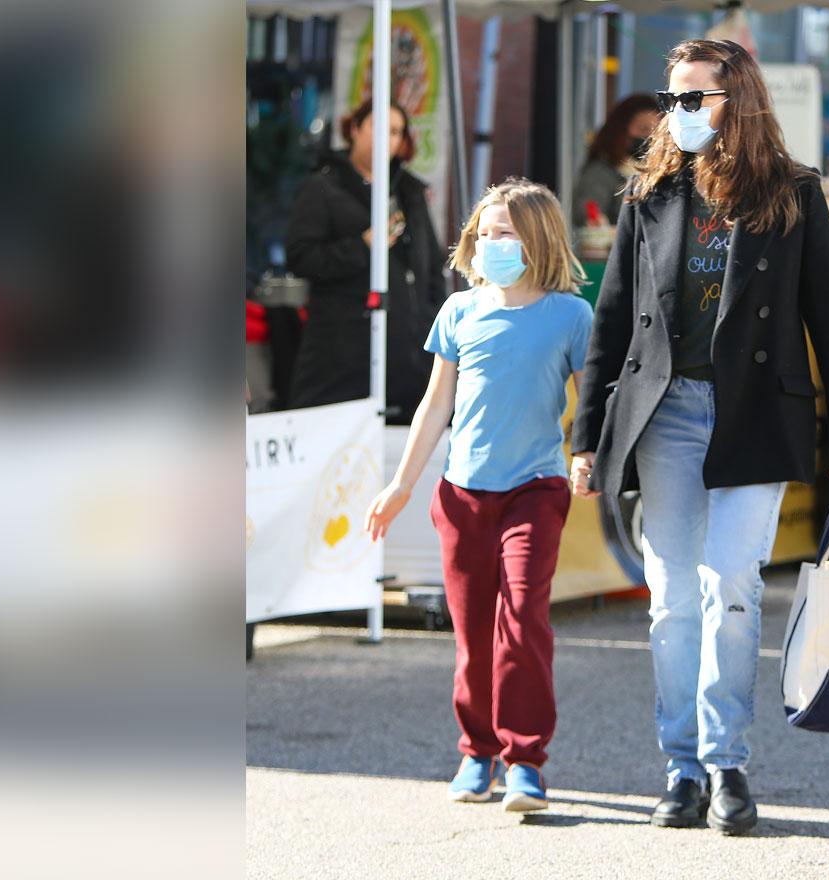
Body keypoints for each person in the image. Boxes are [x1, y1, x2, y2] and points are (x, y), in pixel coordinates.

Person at [568, 40, 829, 835]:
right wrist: (587, 435)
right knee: (671, 599)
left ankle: (726, 761)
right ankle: (680, 770)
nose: (680, 113)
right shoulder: (651, 192)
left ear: (738, 98)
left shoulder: (795, 194)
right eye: (673, 100)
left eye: (694, 98)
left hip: (753, 412)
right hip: (664, 413)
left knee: (732, 587)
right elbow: (613, 319)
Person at [364, 178, 593, 813]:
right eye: (485, 232)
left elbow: (591, 401)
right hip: (462, 495)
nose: (492, 243)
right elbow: (435, 404)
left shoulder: (571, 315)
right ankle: (477, 753)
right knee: (473, 635)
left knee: (522, 624)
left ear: (539, 238)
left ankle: (525, 762)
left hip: (535, 490)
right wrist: (400, 485)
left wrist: (587, 458)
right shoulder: (460, 311)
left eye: (507, 233)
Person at [285, 99, 445, 422]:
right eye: (379, 127)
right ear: (355, 130)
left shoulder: (410, 192)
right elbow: (302, 257)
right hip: (343, 358)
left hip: (409, 359)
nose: (387, 137)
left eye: (396, 131)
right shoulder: (323, 187)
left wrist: (431, 320)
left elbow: (432, 267)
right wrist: (361, 246)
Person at [572, 94, 662, 229]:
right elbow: (587, 220)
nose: (649, 137)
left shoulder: (660, 173)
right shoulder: (600, 173)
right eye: (643, 129)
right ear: (620, 131)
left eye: (656, 131)